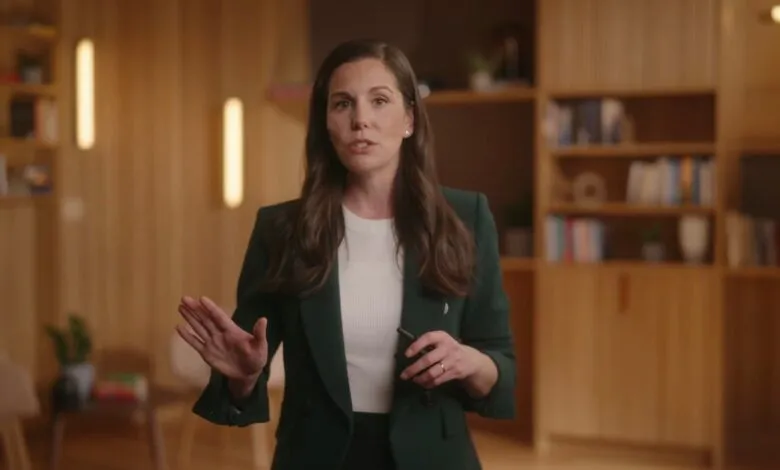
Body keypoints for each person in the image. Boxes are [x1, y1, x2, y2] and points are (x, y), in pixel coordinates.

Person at [175, 38, 516, 470]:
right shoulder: (281, 230)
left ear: (409, 118)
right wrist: (243, 376)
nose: (361, 120)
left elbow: (501, 366)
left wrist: (470, 362)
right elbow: (243, 373)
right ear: (325, 123)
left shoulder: (467, 217)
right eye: (342, 104)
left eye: (379, 101)